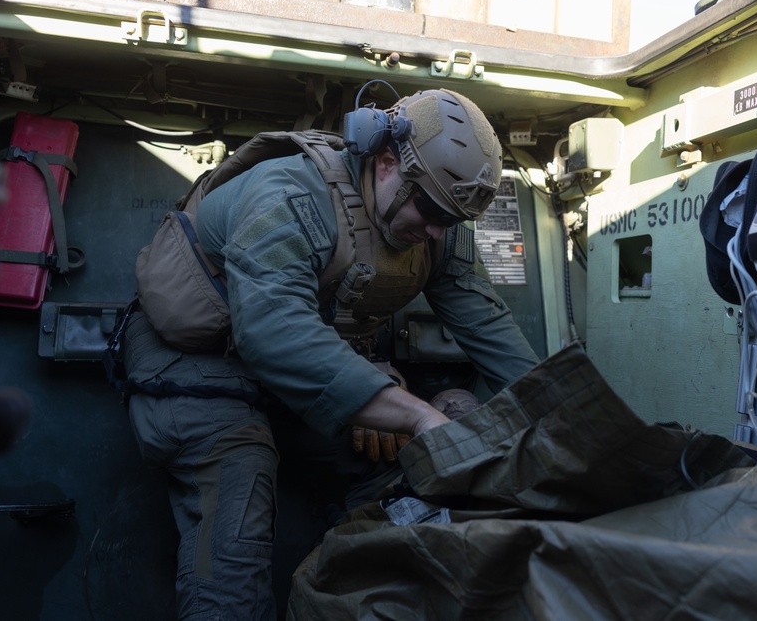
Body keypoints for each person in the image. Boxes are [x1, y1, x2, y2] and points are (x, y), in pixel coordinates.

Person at [120, 86, 541, 620]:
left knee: (399, 477)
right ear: (387, 162)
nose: (436, 231)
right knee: (238, 497)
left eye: (451, 220)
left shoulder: (440, 229)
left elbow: (490, 329)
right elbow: (272, 331)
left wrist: (559, 416)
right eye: (431, 210)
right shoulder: (289, 193)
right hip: (198, 359)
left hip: (297, 362)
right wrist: (413, 413)